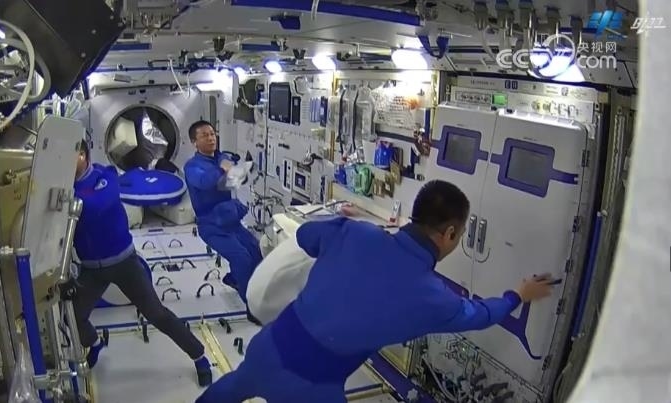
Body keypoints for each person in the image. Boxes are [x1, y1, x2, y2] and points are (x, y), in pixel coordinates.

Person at [196, 180, 556, 402]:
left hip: (268, 348)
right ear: (449, 234)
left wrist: (344, 228)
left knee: (229, 389)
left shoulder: (357, 233)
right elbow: (481, 316)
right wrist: (517, 295)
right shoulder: (433, 297)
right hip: (312, 387)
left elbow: (305, 235)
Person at [70, 139, 213, 386]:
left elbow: (96, 206)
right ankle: (94, 343)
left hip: (124, 263)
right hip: (91, 269)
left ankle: (199, 356)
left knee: (157, 314)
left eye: (70, 155)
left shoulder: (105, 177)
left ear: (83, 155)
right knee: (74, 316)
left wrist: (68, 199)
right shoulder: (64, 187)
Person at [183, 121, 264, 321]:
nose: (211, 138)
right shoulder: (192, 167)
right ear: (194, 142)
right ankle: (253, 308)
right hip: (211, 226)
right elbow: (205, 182)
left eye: (212, 134)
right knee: (242, 258)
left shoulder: (222, 157)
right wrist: (223, 168)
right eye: (204, 135)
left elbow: (237, 177)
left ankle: (235, 279)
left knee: (256, 252)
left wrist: (239, 168)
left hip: (231, 222)